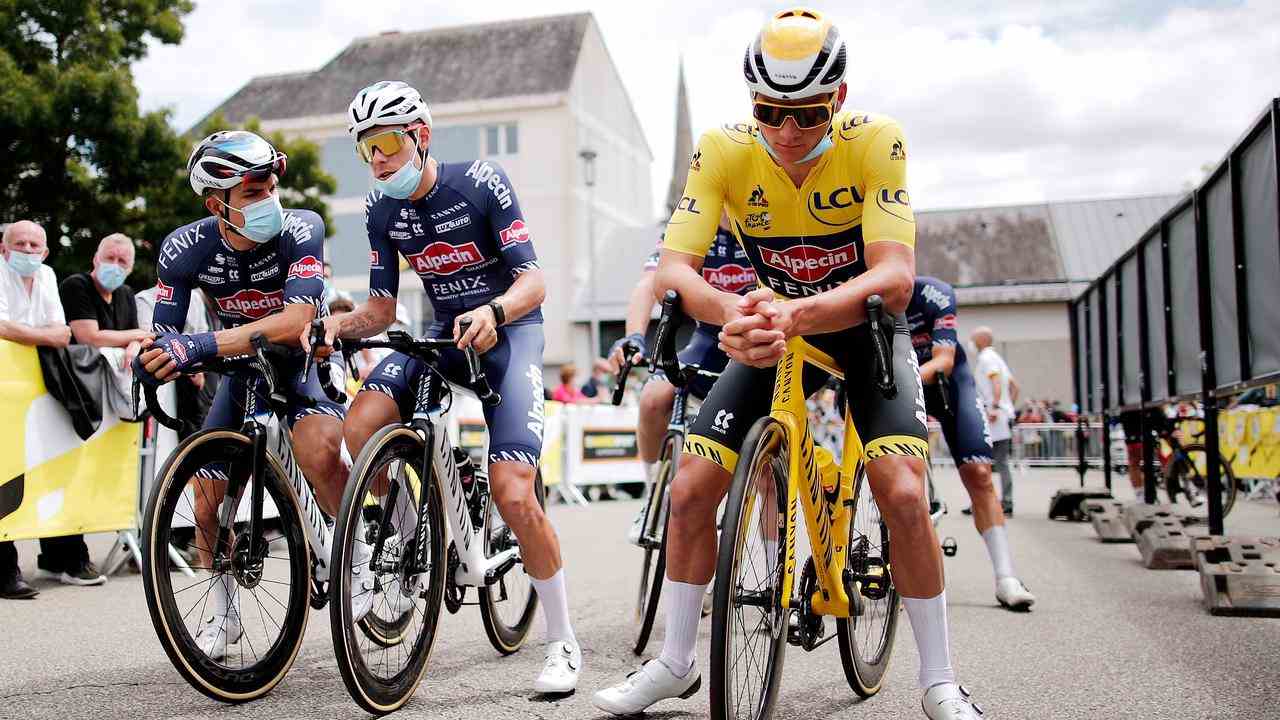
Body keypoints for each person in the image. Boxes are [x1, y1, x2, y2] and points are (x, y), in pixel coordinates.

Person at [594, 10, 987, 719]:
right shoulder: (722, 150)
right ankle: (675, 663)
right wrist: (729, 315)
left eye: (804, 114)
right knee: (689, 491)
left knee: (900, 491)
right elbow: (676, 271)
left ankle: (939, 681)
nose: (785, 131)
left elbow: (895, 278)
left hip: (858, 329)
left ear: (836, 99)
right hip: (770, 329)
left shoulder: (876, 142)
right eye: (768, 111)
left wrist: (796, 313)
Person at [307, 81, 581, 694]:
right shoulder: (383, 209)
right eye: (364, 149)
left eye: (383, 144)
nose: (375, 160)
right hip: (441, 338)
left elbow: (534, 281)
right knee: (357, 428)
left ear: (420, 136)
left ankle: (562, 642)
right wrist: (333, 325)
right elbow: (379, 310)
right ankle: (413, 516)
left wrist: (497, 313)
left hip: (511, 337)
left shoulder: (482, 181)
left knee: (514, 494)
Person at [133, 130, 347, 660]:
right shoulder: (184, 247)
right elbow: (166, 334)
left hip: (301, 362)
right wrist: (156, 360)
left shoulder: (303, 227)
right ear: (216, 204)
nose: (270, 201)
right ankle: (222, 609)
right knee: (206, 500)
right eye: (253, 194)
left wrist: (199, 344)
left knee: (319, 451)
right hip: (242, 371)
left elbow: (297, 318)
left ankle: (357, 553)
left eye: (271, 187)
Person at [606, 212, 757, 544]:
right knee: (652, 399)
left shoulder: (764, 216)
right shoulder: (692, 219)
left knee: (760, 443)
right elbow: (649, 283)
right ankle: (652, 497)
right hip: (707, 341)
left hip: (755, 343)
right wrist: (632, 336)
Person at [909, 277, 1034, 610]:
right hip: (898, 386)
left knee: (979, 473)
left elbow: (944, 360)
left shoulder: (933, 293)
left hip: (947, 385)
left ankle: (1006, 577)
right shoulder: (860, 294)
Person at [0, 221, 73, 599]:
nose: (27, 250)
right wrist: (42, 336)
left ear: (44, 252)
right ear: (3, 247)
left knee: (39, 467)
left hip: (29, 392)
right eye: (19, 243)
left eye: (34, 245)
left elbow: (62, 332)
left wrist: (25, 333)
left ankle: (61, 554)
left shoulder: (45, 275)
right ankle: (4, 568)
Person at [971, 326, 1017, 515]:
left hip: (993, 417)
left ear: (981, 340)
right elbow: (1015, 387)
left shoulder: (986, 359)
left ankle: (993, 502)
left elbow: (996, 382)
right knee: (997, 461)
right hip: (1001, 415)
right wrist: (1008, 408)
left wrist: (995, 407)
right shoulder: (998, 359)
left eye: (974, 340)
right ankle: (993, 500)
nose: (972, 344)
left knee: (984, 460)